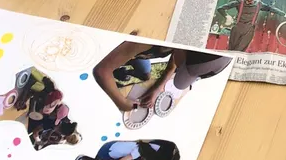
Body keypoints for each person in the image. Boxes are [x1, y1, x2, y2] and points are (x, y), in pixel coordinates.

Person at [93, 42, 230, 113]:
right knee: (105, 83)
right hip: (109, 53)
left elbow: (173, 65)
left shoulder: (180, 45)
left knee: (146, 75)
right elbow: (101, 71)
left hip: (137, 55)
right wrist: (121, 102)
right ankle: (118, 67)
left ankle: (122, 71)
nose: (179, 68)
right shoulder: (144, 42)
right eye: (183, 67)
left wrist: (157, 89)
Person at [215, 0, 286, 52]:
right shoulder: (239, 2)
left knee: (240, 51)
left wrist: (285, 15)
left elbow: (272, 8)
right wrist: (226, 16)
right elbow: (220, 8)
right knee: (231, 50)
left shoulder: (259, 4)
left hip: (249, 30)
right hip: (237, 28)